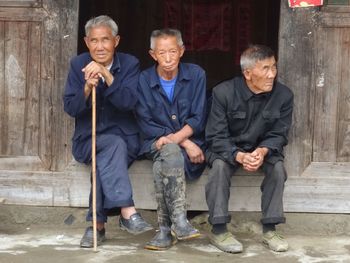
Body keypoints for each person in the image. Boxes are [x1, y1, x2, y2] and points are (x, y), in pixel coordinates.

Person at [63, 15, 152, 248]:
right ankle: (127, 211)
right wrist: (85, 87)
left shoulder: (130, 64)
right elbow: (71, 108)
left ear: (116, 41)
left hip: (125, 140)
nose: (100, 46)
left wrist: (106, 74)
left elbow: (128, 102)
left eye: (106, 40)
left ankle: (96, 226)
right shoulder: (77, 64)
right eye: (94, 40)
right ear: (86, 42)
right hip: (87, 140)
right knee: (109, 148)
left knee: (110, 151)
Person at [205, 44, 293, 253]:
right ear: (247, 73)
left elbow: (279, 134)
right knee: (218, 167)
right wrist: (238, 155)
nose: (272, 74)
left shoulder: (283, 95)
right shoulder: (223, 93)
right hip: (228, 149)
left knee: (278, 168)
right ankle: (218, 230)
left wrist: (262, 151)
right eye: (265, 69)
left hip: (262, 150)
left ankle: (270, 229)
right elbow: (215, 136)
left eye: (274, 67)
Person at [136, 28, 207, 250]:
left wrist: (175, 140)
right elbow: (146, 122)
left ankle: (165, 230)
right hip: (153, 141)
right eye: (162, 53)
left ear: (182, 51)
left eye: (173, 52)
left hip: (169, 147)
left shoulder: (196, 75)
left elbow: (199, 116)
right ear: (152, 55)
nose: (168, 58)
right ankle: (180, 221)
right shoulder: (143, 80)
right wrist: (184, 141)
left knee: (165, 158)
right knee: (171, 150)